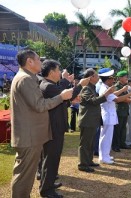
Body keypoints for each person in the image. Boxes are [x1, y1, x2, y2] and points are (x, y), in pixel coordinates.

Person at [10, 49, 73, 198]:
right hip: (29, 136)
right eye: (38, 59)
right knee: (23, 177)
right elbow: (39, 105)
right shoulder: (25, 79)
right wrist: (61, 97)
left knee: (25, 175)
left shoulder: (28, 77)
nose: (41, 62)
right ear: (29, 62)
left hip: (30, 135)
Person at [39, 60, 90, 197]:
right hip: (52, 128)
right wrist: (80, 85)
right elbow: (69, 94)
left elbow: (63, 100)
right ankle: (47, 190)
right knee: (51, 159)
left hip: (56, 127)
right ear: (51, 72)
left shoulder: (50, 85)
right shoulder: (47, 86)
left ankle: (47, 183)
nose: (60, 73)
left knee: (51, 158)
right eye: (58, 70)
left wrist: (68, 98)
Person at [78, 68, 114, 173]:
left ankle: (88, 161)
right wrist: (106, 94)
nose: (98, 77)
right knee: (85, 143)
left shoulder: (92, 88)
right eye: (96, 75)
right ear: (91, 77)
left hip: (92, 120)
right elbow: (93, 101)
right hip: (87, 120)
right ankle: (83, 164)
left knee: (90, 142)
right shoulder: (86, 88)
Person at [97, 68, 131, 164]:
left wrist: (123, 90)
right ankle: (103, 157)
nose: (113, 80)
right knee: (106, 137)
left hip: (110, 115)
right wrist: (130, 94)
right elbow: (117, 100)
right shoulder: (104, 88)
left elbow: (114, 94)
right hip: (107, 115)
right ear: (108, 79)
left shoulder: (106, 87)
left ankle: (105, 155)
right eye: (111, 78)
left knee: (107, 137)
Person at [112, 70, 131, 152]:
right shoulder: (117, 87)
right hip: (119, 110)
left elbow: (126, 98)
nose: (126, 78)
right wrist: (129, 99)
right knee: (118, 128)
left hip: (124, 110)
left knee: (123, 128)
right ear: (120, 78)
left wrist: (129, 98)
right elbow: (119, 99)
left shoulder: (124, 86)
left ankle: (122, 143)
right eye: (125, 76)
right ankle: (115, 145)